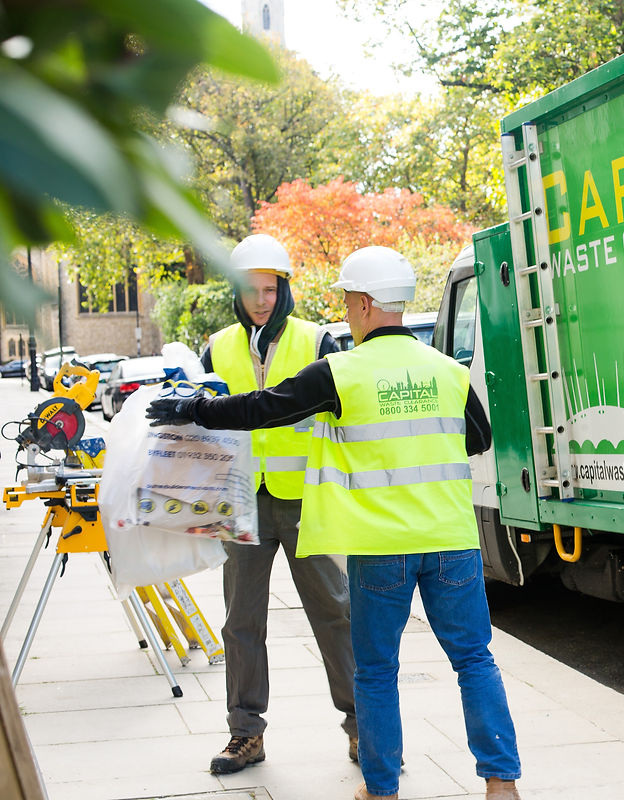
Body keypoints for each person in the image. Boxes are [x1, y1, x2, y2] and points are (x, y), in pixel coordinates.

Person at [149, 245, 522, 800]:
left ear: (369, 304)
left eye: (349, 301)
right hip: (452, 543)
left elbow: (262, 408)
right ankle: (501, 784)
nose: (346, 311)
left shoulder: (340, 372)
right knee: (474, 660)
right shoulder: (447, 370)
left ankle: (380, 790)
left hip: (382, 547)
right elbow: (479, 438)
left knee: (375, 670)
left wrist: (194, 410)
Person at [201, 233, 357, 775]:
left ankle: (364, 726)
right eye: (252, 291)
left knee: (334, 612)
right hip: (242, 501)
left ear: (284, 289)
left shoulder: (317, 343)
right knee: (240, 622)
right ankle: (245, 734)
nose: (262, 300)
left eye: (271, 289)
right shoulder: (216, 347)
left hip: (305, 500)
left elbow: (347, 417)